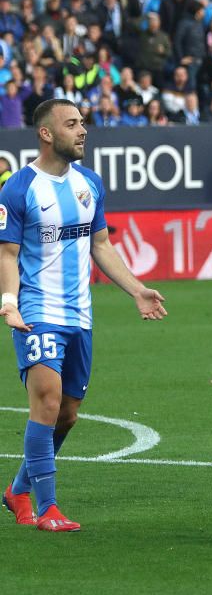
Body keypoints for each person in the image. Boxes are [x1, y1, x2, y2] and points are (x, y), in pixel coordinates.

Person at [0, 99, 167, 532]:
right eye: (71, 124)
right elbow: (7, 253)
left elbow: (101, 247)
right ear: (46, 133)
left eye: (83, 123)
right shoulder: (18, 189)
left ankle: (18, 489)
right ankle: (48, 508)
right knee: (47, 401)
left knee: (68, 413)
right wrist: (8, 302)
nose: (82, 130)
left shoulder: (89, 184)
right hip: (37, 311)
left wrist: (137, 290)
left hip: (80, 315)